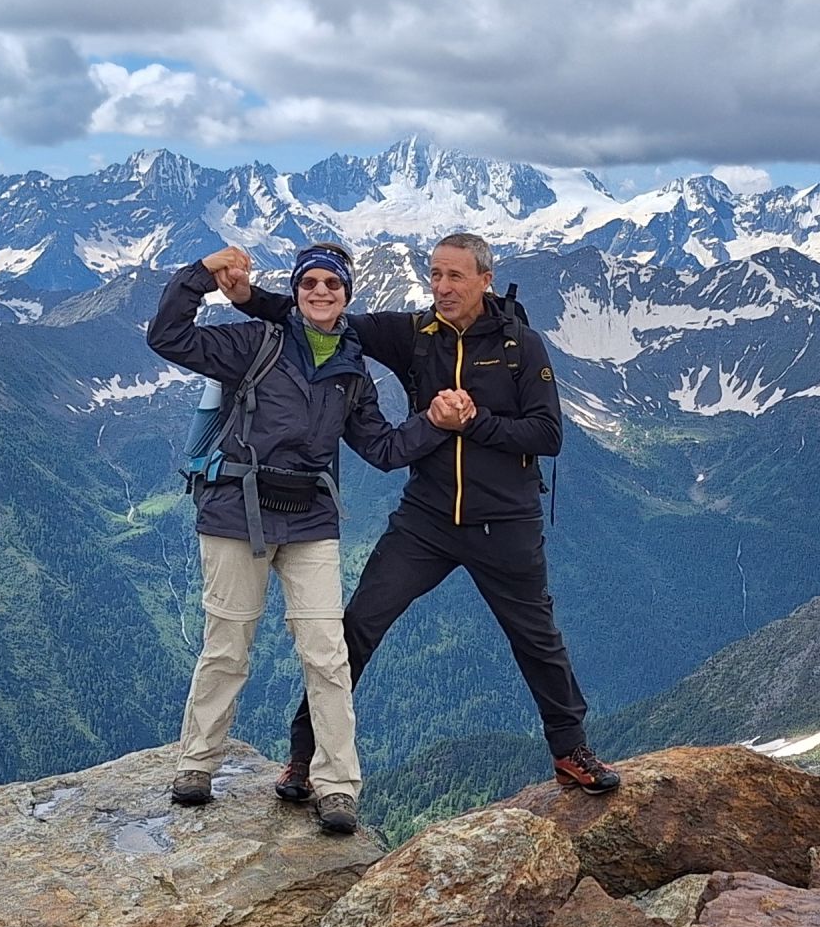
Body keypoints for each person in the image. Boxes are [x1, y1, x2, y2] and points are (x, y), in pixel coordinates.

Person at [215, 232, 622, 797]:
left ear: (484, 278)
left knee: (537, 639)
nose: (443, 287)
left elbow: (547, 434)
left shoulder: (521, 346)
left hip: (504, 524)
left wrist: (472, 421)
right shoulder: (413, 335)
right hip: (425, 520)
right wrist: (245, 298)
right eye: (435, 275)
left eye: (456, 276)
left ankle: (571, 751)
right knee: (355, 630)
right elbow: (319, 313)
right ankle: (304, 758)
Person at [146, 241, 472, 833]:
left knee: (327, 653)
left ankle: (337, 786)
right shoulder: (254, 345)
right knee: (228, 645)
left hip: (310, 520)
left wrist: (432, 424)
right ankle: (197, 765)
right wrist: (203, 275)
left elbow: (382, 449)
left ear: (348, 295)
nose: (321, 293)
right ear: (295, 292)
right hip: (234, 513)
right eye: (310, 284)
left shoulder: (352, 371)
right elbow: (168, 336)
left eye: (333, 285)